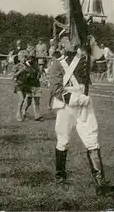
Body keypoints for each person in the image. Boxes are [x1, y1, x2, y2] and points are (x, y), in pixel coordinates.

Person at [48, 33, 114, 196]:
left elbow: (102, 68)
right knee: (63, 140)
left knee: (92, 139)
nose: (74, 41)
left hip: (84, 104)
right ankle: (60, 176)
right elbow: (56, 89)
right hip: (67, 106)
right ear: (62, 42)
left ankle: (100, 184)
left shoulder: (83, 58)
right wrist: (77, 99)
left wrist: (94, 45)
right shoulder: (57, 62)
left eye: (75, 38)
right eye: (69, 39)